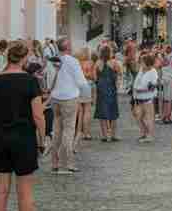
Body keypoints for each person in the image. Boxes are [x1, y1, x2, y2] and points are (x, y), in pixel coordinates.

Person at [0, 40, 47, 211]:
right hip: (24, 138)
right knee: (25, 193)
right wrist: (43, 139)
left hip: (1, 137)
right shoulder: (30, 82)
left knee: (1, 192)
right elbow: (38, 115)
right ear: (24, 58)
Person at [49, 37, 85, 174]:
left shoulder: (52, 60)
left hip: (55, 97)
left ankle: (54, 162)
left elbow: (49, 80)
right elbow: (81, 81)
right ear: (68, 47)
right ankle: (67, 163)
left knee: (57, 129)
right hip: (69, 97)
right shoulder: (73, 61)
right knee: (68, 131)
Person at [93, 45, 122, 141]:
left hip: (101, 88)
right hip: (111, 88)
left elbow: (94, 77)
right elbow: (119, 74)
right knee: (113, 112)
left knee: (102, 112)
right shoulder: (114, 62)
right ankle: (113, 135)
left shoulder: (98, 63)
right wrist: (117, 84)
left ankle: (105, 135)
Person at [132, 52, 159, 143]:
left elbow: (153, 87)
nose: (141, 63)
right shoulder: (141, 70)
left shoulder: (153, 72)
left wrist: (141, 90)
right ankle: (144, 133)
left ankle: (149, 136)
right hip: (138, 98)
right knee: (138, 116)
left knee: (148, 117)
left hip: (147, 98)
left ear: (147, 63)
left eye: (142, 62)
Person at [76, 47, 95, 144]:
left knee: (80, 111)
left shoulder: (77, 63)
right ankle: (86, 133)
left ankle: (79, 132)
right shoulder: (90, 63)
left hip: (78, 86)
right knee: (87, 111)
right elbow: (93, 76)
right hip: (87, 85)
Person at [158, 46, 172, 124]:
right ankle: (167, 117)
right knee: (169, 100)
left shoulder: (162, 58)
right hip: (171, 80)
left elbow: (160, 69)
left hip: (164, 80)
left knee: (165, 99)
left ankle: (163, 116)